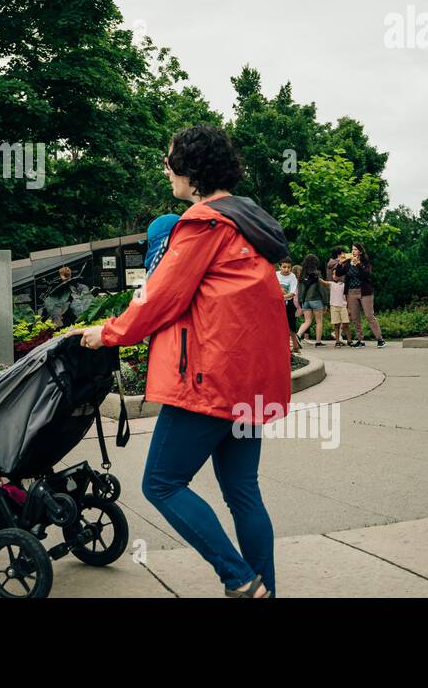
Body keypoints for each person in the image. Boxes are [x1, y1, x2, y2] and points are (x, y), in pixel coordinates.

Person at [72, 125, 290, 598]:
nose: (165, 168)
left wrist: (104, 334)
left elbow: (157, 298)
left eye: (169, 160)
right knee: (243, 492)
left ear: (192, 169)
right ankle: (263, 591)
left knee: (162, 484)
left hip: (208, 381)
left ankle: (240, 581)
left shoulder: (202, 223)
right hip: (251, 383)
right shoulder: (249, 222)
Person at [336, 243, 384, 348]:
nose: (353, 251)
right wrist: (340, 263)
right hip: (351, 292)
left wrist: (358, 264)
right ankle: (360, 340)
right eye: (352, 249)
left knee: (369, 316)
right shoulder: (348, 263)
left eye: (356, 249)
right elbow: (339, 274)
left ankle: (380, 339)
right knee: (355, 318)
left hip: (364, 292)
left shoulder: (365, 262)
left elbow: (367, 275)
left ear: (360, 251)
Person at [294, 253, 330, 347]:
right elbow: (322, 289)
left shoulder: (302, 276)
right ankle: (318, 342)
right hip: (316, 300)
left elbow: (301, 290)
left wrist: (301, 302)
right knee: (319, 321)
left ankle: (298, 335)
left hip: (306, 301)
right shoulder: (317, 274)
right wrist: (326, 302)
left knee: (307, 321)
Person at [276, 258, 302, 354]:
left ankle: (295, 346)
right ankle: (280, 347)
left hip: (288, 303)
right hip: (276, 304)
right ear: (280, 267)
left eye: (289, 267)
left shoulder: (292, 277)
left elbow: (292, 293)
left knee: (291, 327)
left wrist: (281, 297)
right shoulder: (275, 275)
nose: (286, 269)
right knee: (277, 326)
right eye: (284, 267)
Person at [327, 258, 349, 347]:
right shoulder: (331, 284)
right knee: (336, 323)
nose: (335, 275)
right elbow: (324, 282)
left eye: (336, 274)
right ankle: (337, 339)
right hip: (334, 306)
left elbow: (347, 296)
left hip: (343, 306)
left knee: (346, 323)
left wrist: (349, 307)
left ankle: (347, 339)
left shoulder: (344, 285)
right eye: (333, 274)